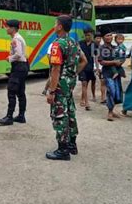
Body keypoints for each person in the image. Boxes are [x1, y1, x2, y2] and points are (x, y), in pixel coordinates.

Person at [45, 15, 87, 160]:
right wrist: (72, 73)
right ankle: (72, 144)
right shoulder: (73, 42)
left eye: (55, 23)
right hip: (69, 83)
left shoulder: (58, 45)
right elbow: (84, 61)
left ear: (60, 26)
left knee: (59, 114)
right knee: (70, 111)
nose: (54, 26)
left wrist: (51, 91)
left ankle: (62, 150)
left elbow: (56, 69)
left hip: (59, 85)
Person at [0, 19, 29, 125]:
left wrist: (9, 58)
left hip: (18, 67)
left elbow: (18, 54)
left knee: (11, 91)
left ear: (13, 29)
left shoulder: (16, 39)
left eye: (7, 27)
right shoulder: (18, 38)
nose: (6, 28)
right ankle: (21, 116)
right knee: (20, 92)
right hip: (22, 67)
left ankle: (9, 117)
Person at [98, 28, 125, 121]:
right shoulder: (101, 48)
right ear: (103, 37)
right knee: (111, 91)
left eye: (110, 35)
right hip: (107, 73)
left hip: (117, 73)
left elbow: (121, 57)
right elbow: (101, 61)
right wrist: (113, 62)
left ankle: (112, 110)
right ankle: (109, 112)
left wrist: (120, 62)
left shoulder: (115, 47)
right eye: (107, 35)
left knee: (117, 93)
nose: (109, 37)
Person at [78, 28, 96, 111]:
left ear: (92, 35)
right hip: (82, 67)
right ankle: (87, 102)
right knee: (84, 84)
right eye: (86, 35)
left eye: (89, 35)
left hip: (91, 67)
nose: (87, 37)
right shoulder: (80, 43)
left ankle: (82, 98)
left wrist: (97, 68)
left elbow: (96, 57)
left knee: (87, 84)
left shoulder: (94, 45)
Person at [93, 31, 106, 103]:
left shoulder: (102, 47)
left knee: (103, 82)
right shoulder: (93, 47)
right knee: (93, 82)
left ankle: (103, 97)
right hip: (95, 66)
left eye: (100, 38)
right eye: (97, 38)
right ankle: (94, 96)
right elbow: (95, 58)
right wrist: (97, 68)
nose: (99, 40)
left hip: (101, 66)